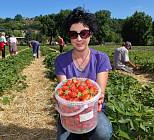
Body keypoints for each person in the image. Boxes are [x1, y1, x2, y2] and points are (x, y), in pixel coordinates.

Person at [55, 7, 112, 140]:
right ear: (69, 36)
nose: (79, 38)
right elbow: (65, 88)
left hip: (94, 108)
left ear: (90, 34)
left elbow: (98, 92)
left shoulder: (101, 58)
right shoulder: (61, 60)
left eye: (84, 33)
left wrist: (97, 98)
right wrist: (59, 97)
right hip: (69, 109)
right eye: (74, 34)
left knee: (103, 134)